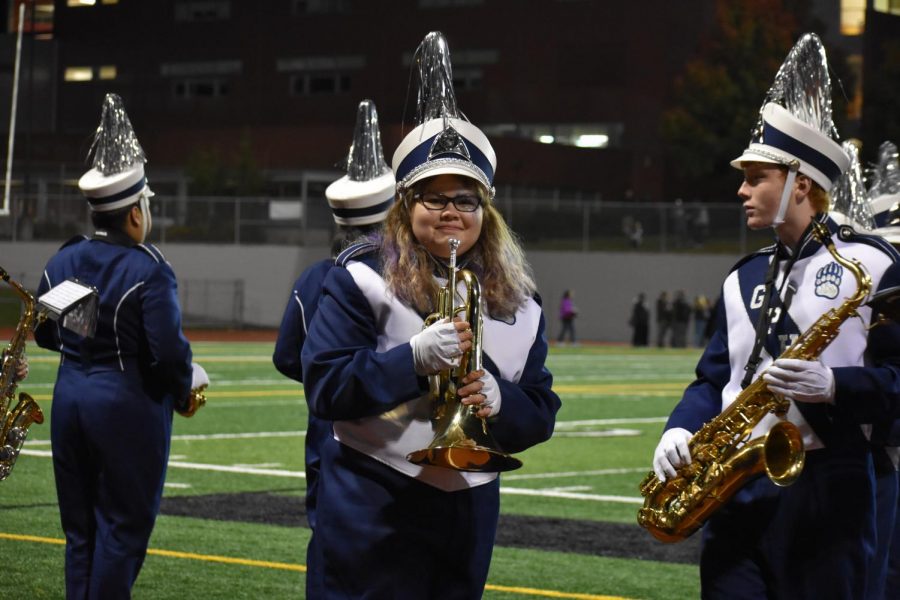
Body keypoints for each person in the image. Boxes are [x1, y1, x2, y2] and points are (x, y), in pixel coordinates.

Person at [300, 32, 560, 598]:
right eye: (432, 198)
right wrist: (411, 361)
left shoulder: (522, 302)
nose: (450, 212)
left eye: (465, 200)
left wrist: (500, 399)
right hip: (371, 502)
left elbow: (541, 413)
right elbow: (324, 387)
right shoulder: (361, 277)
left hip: (467, 513)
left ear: (485, 211)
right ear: (405, 206)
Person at [649, 34, 900, 599]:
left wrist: (837, 385)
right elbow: (714, 378)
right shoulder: (741, 276)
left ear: (800, 182)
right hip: (738, 490)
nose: (741, 190)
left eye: (755, 177)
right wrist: (680, 428)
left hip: (830, 488)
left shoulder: (875, 265)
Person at [33, 94, 207, 598]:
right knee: (121, 533)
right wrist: (185, 386)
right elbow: (169, 354)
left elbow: (47, 331)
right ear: (135, 214)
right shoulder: (149, 268)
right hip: (127, 408)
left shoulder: (64, 257)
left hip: (69, 399)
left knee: (80, 534)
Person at [270, 98, 394, 599]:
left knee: (331, 552)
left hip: (328, 430)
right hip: (397, 437)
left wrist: (329, 380)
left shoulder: (318, 276)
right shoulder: (411, 277)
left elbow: (287, 356)